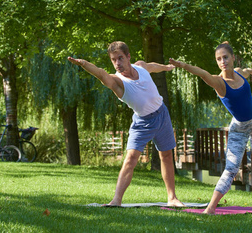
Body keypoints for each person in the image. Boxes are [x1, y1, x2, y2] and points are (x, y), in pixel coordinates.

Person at [68, 41, 184, 207]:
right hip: (143, 122)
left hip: (162, 114)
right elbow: (101, 74)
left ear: (128, 57)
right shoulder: (117, 82)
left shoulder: (141, 67)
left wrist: (165, 68)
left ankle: (172, 198)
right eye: (113, 60)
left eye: (120, 58)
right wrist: (84, 64)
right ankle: (116, 200)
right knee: (130, 159)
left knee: (166, 156)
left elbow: (152, 66)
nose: (117, 63)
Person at [169, 42, 252, 214]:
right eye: (218, 59)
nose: (222, 62)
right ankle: (210, 208)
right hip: (240, 128)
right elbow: (203, 74)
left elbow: (246, 71)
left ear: (233, 58)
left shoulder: (239, 73)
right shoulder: (219, 83)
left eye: (225, 57)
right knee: (231, 168)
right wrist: (183, 65)